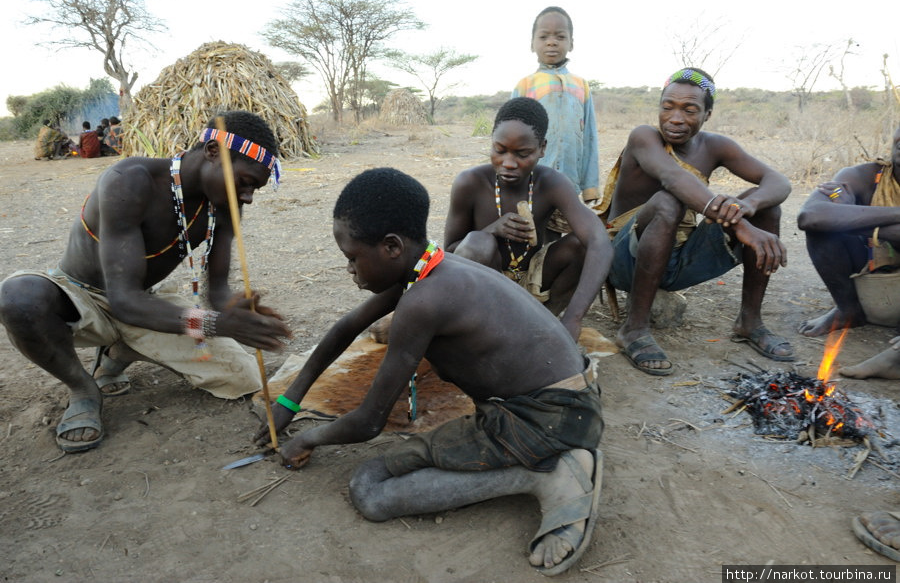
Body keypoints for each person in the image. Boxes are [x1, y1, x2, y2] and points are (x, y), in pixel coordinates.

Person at [258, 168, 605, 576]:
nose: (349, 270)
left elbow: (369, 422)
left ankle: (547, 477)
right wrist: (288, 401)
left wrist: (306, 439)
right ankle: (551, 461)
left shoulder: (424, 301)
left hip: (548, 417)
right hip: (569, 401)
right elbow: (344, 329)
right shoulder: (432, 266)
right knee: (388, 468)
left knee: (370, 491)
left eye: (352, 258)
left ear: (390, 247)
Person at [0, 110, 292, 453]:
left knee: (245, 378)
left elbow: (216, 290)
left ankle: (121, 351)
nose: (247, 197)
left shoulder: (223, 205)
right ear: (213, 151)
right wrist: (217, 324)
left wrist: (236, 309)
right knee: (18, 299)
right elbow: (122, 300)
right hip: (81, 298)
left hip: (146, 302)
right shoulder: (130, 180)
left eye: (254, 189)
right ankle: (82, 388)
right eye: (245, 182)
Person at [596, 67, 794, 375]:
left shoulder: (715, 146)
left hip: (677, 261)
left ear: (707, 114)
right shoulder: (643, 137)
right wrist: (742, 228)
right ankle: (634, 328)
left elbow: (778, 181)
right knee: (667, 200)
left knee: (768, 208)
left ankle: (749, 321)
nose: (675, 118)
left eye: (689, 110)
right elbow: (672, 177)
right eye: (667, 107)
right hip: (625, 261)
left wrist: (747, 205)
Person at [444, 97, 611, 340]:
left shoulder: (551, 183)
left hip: (534, 282)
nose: (509, 163)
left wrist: (573, 318)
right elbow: (449, 254)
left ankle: (547, 323)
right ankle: (486, 328)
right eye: (499, 150)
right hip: (486, 286)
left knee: (580, 246)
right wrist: (490, 230)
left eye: (523, 153)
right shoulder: (470, 183)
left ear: (542, 148)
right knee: (478, 243)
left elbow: (599, 241)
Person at [796, 126, 900, 337]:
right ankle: (848, 310)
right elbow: (811, 217)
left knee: (835, 222)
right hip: (873, 278)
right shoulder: (865, 176)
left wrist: (850, 218)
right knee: (823, 229)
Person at [511, 6, 600, 237]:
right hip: (533, 183)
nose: (552, 42)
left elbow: (590, 137)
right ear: (532, 43)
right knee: (532, 234)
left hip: (570, 185)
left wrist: (590, 188)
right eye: (544, 36)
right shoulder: (525, 85)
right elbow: (510, 137)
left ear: (571, 43)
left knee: (566, 240)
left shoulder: (581, 86)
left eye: (560, 36)